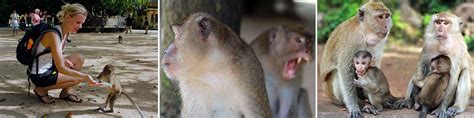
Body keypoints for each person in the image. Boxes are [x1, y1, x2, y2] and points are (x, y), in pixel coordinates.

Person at [29, 3, 100, 104]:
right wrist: (84, 77)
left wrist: (63, 59)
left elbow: (51, 54)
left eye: (82, 23)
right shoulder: (53, 34)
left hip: (49, 66)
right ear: (67, 17)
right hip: (40, 74)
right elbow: (61, 68)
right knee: (78, 78)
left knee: (79, 58)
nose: (80, 26)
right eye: (78, 22)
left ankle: (66, 92)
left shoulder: (65, 32)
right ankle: (41, 89)